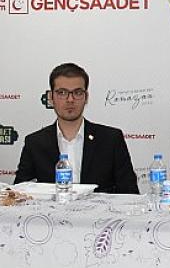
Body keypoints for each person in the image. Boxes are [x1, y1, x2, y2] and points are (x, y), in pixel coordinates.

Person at [14, 63, 138, 193]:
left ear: (86, 97)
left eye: (77, 93)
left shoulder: (111, 139)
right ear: (50, 97)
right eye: (62, 93)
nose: (70, 99)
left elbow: (130, 193)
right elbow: (19, 193)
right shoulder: (35, 143)